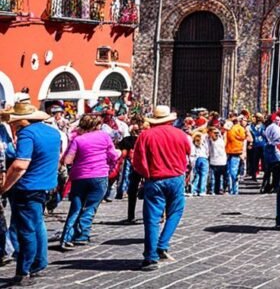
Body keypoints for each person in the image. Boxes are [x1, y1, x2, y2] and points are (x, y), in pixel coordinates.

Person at [0, 102, 61, 285]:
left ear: (23, 121)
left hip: (27, 188)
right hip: (46, 186)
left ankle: (24, 270)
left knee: (26, 231)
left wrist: (4, 187)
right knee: (36, 225)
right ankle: (39, 262)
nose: (13, 126)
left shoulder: (27, 133)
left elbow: (20, 165)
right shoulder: (53, 132)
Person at [131, 105, 191, 272]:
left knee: (152, 218)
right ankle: (162, 244)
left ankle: (150, 258)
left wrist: (146, 174)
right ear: (170, 120)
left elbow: (137, 160)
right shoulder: (180, 134)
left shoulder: (145, 135)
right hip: (176, 177)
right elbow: (188, 151)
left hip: (155, 178)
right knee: (175, 212)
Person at [59, 113, 119, 250]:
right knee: (90, 207)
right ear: (97, 125)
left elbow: (67, 160)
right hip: (99, 175)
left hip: (79, 176)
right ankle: (82, 235)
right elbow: (113, 155)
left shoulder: (78, 140)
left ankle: (66, 237)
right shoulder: (104, 137)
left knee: (75, 208)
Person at [224, 116, 249, 195]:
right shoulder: (240, 128)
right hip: (236, 151)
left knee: (229, 171)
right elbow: (243, 137)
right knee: (233, 172)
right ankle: (234, 190)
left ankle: (231, 189)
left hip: (228, 151)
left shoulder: (228, 129)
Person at [206, 126, 228, 195]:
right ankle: (214, 190)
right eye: (215, 133)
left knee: (219, 178)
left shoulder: (219, 140)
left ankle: (219, 190)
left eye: (217, 133)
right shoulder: (211, 140)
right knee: (214, 178)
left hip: (221, 161)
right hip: (215, 161)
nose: (216, 134)